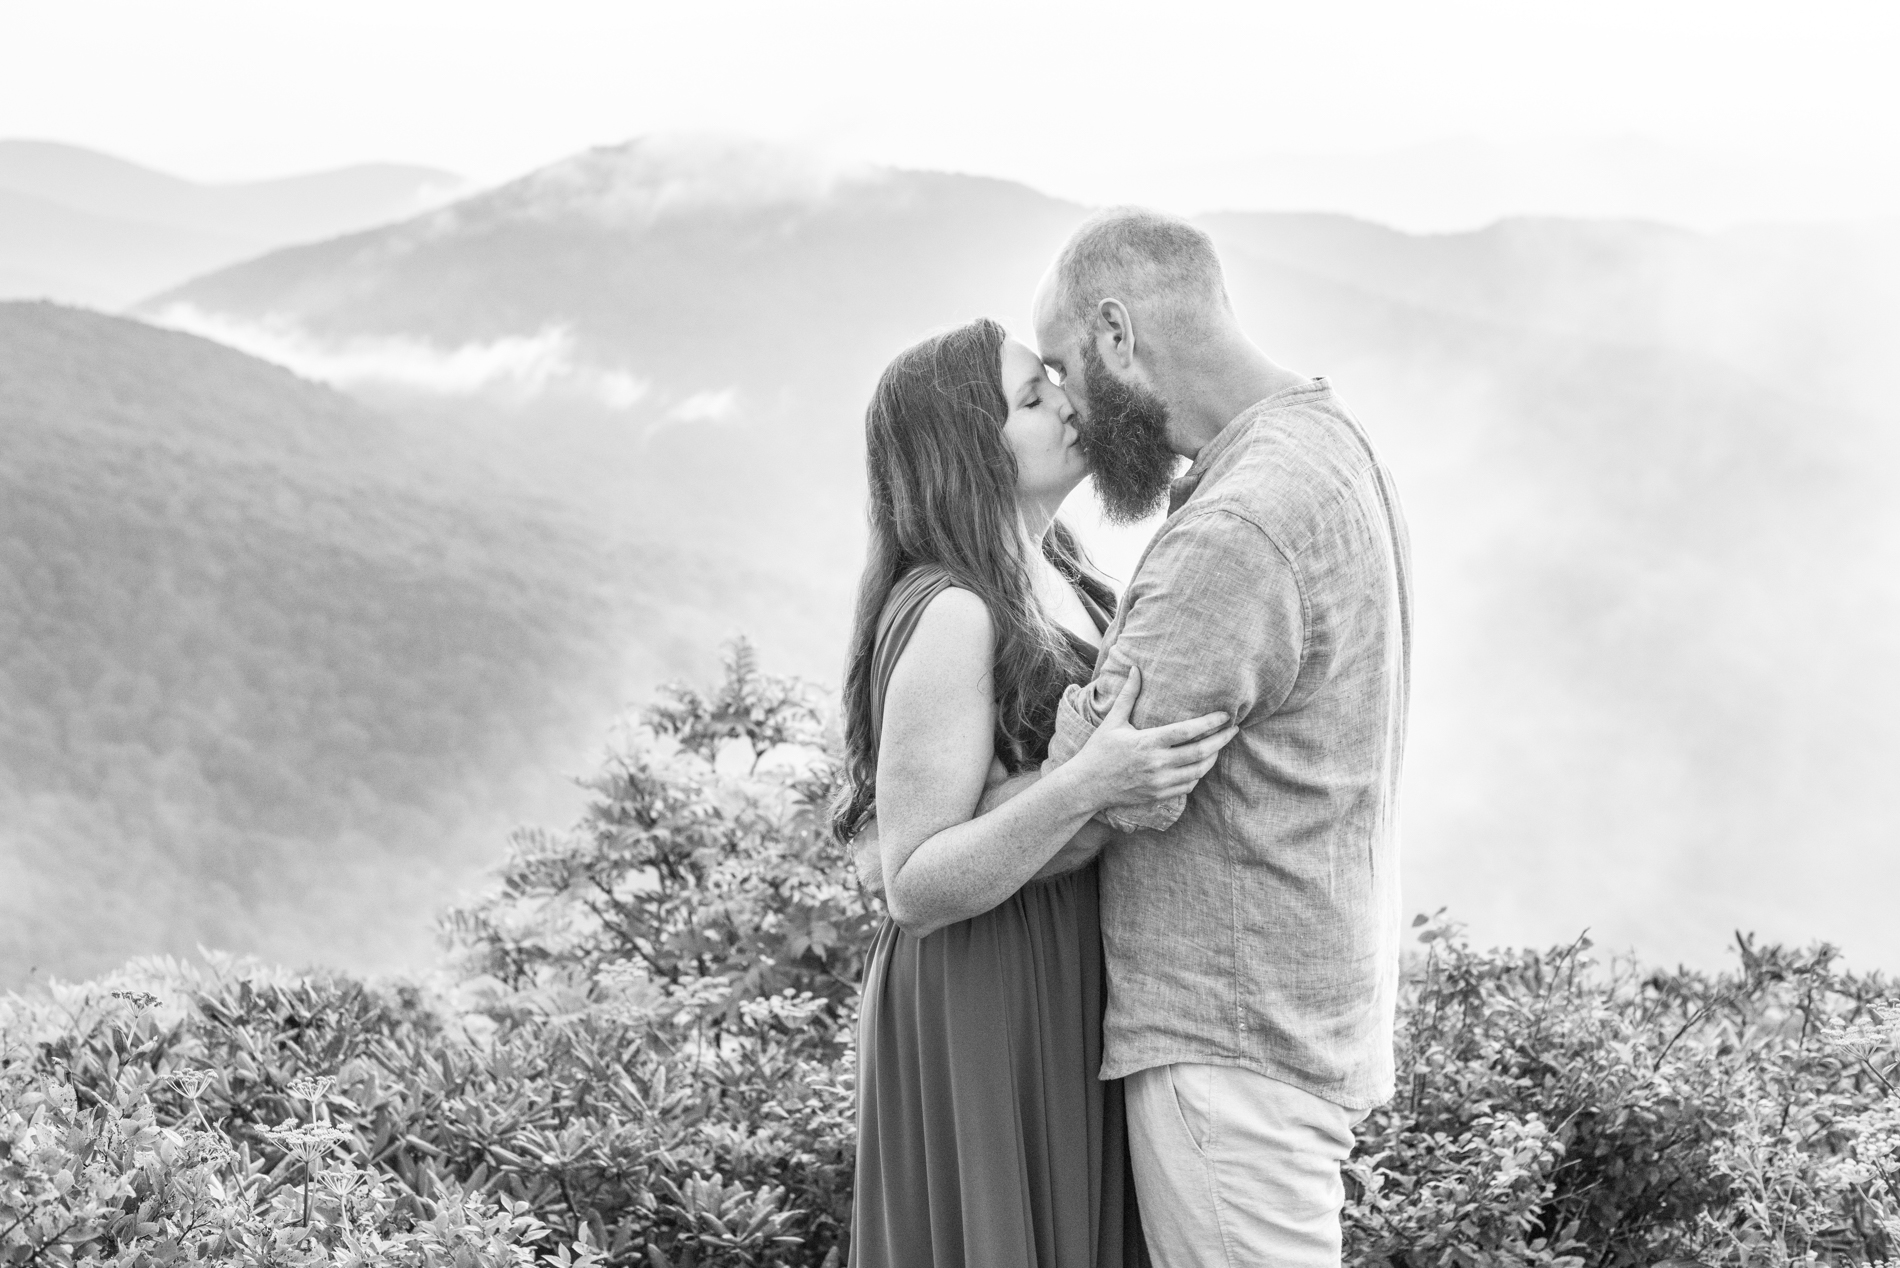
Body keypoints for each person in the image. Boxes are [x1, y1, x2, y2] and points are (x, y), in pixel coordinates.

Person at [1015, 207, 1414, 1267]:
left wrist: (920, 852)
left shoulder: (1236, 525)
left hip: (1228, 1042)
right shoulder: (1327, 446)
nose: (1069, 410)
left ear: (1114, 332)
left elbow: (1095, 799)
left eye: (1062, 366)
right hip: (1289, 1018)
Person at [834, 316, 1239, 1268]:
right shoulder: (952, 612)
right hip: (987, 983)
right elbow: (916, 881)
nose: (1066, 400)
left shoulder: (1058, 576)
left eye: (1051, 380)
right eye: (1031, 397)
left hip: (1059, 965)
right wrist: (1084, 783)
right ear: (969, 454)